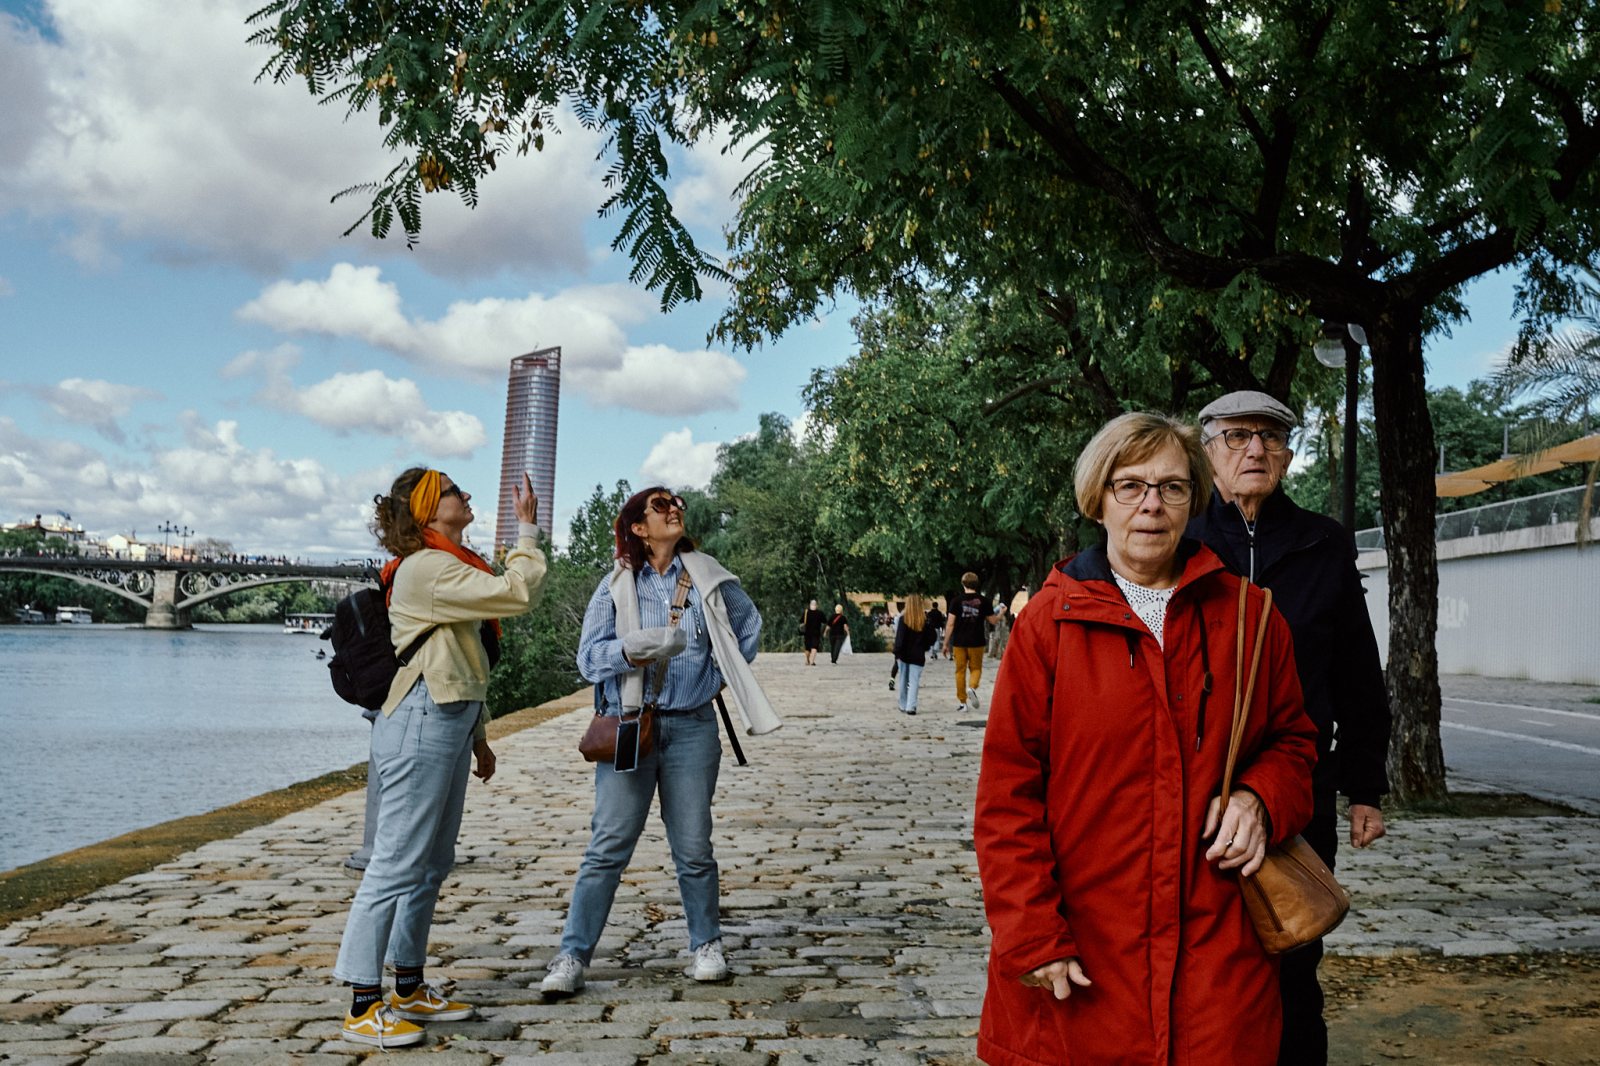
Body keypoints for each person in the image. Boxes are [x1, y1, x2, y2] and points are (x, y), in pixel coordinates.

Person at [974, 412, 1317, 1066]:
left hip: (1218, 959)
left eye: (1173, 486)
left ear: (1195, 500)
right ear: (1098, 498)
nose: (1152, 505)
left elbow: (1295, 744)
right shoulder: (1049, 625)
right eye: (1130, 486)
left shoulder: (1251, 618)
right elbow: (1007, 798)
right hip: (1084, 956)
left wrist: (1259, 799)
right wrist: (1034, 934)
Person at [1188, 390, 1392, 1066]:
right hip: (1196, 788)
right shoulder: (1181, 536)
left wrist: (1366, 787)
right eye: (1239, 436)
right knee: (1202, 958)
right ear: (1208, 448)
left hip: (1297, 789)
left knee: (1293, 951)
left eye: (1271, 437)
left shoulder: (1320, 542)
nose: (1256, 449)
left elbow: (1357, 672)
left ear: (1289, 452)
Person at [334, 469, 546, 1048]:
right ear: (429, 508)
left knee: (430, 864)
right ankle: (361, 1002)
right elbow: (517, 592)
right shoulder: (429, 568)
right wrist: (527, 530)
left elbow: (462, 659)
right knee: (396, 862)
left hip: (447, 717)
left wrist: (477, 736)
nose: (468, 496)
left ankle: (407, 984)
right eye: (455, 490)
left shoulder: (450, 561)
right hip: (419, 722)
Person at [542, 486, 766, 998]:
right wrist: (633, 652)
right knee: (607, 847)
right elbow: (588, 659)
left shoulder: (709, 577)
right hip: (629, 726)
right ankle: (572, 956)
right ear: (639, 527)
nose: (674, 510)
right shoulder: (617, 585)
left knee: (693, 847)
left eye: (676, 503)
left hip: (691, 727)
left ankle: (705, 944)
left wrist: (715, 678)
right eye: (660, 505)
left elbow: (748, 629)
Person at [941, 572, 1004, 711]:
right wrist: (1001, 613)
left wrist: (945, 643)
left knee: (960, 671)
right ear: (977, 584)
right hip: (977, 641)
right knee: (976, 668)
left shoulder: (956, 601)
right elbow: (992, 620)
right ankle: (972, 687)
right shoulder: (984, 601)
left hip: (959, 642)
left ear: (963, 584)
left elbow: (950, 624)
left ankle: (963, 702)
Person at [891, 593, 938, 715]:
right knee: (914, 681)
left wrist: (896, 652)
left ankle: (903, 703)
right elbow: (932, 637)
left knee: (903, 680)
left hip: (904, 655)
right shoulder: (924, 620)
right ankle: (911, 706)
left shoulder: (903, 620)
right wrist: (926, 646)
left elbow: (899, 639)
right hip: (918, 654)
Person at [800, 598, 825, 666]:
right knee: (814, 647)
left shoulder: (806, 612)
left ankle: (807, 660)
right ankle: (812, 661)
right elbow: (824, 621)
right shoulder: (820, 613)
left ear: (810, 605)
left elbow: (801, 622)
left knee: (807, 647)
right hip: (816, 632)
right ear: (816, 605)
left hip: (807, 633)